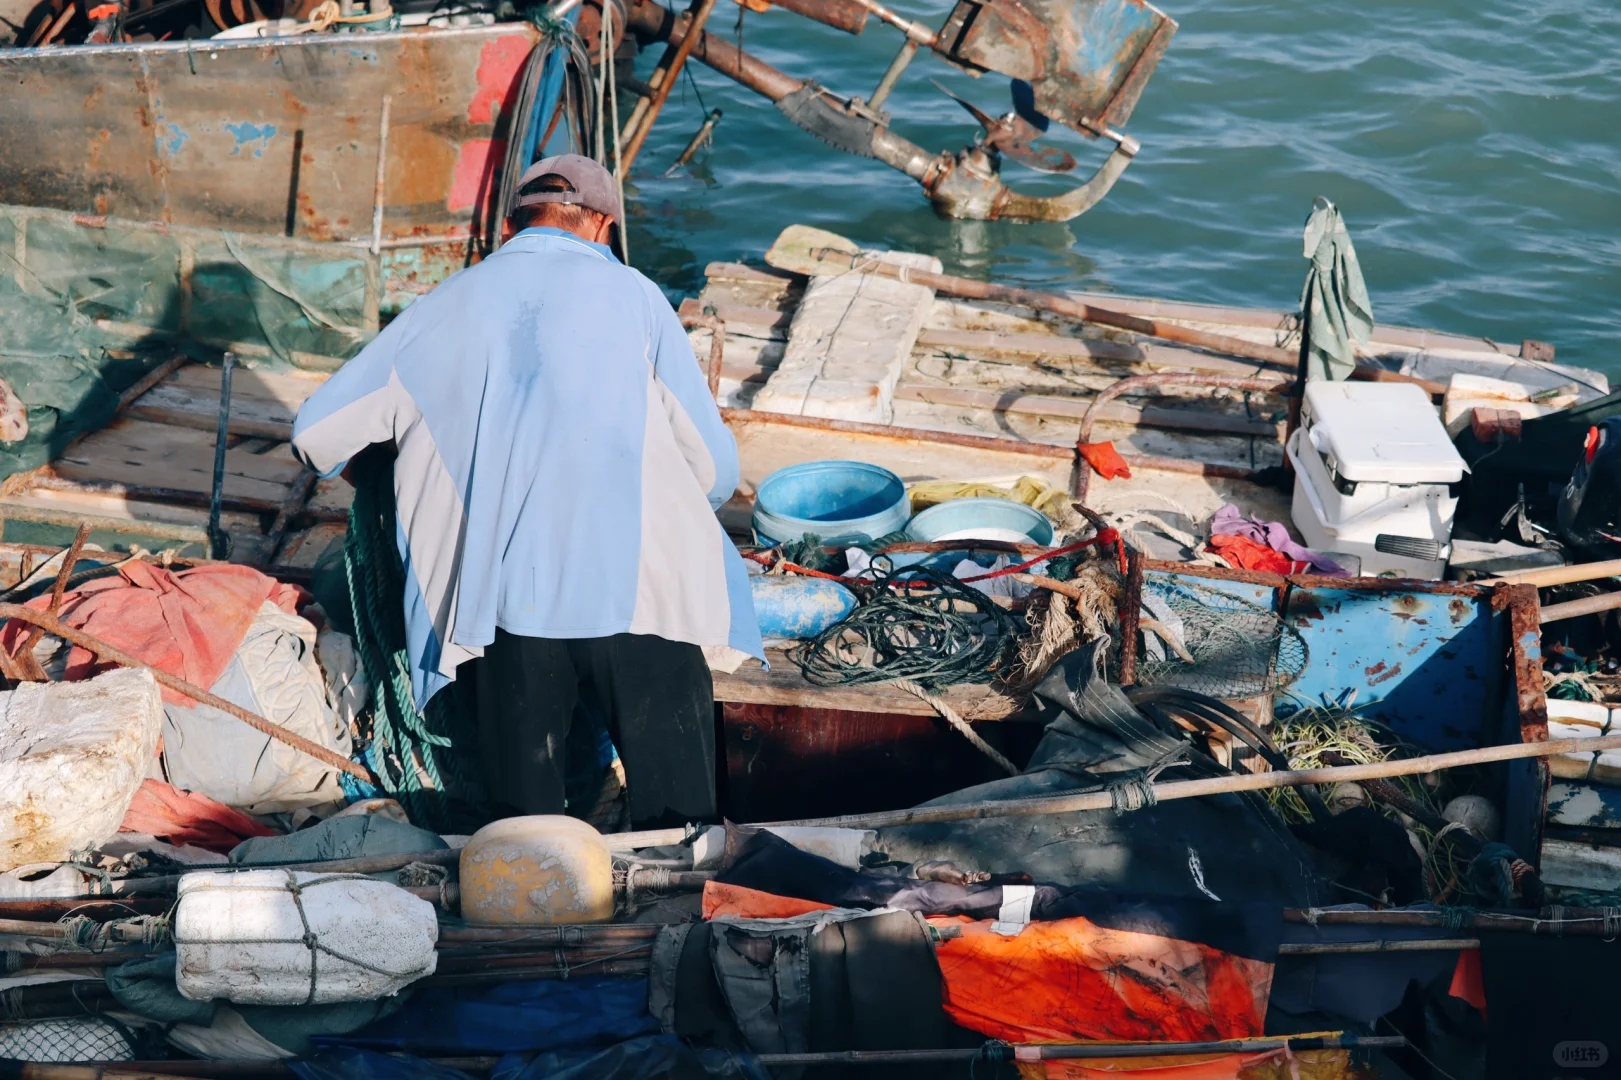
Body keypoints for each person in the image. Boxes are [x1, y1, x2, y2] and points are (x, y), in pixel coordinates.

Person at [291, 154, 761, 830]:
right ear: (601, 226)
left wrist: (395, 480)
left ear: (511, 225)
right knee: (681, 827)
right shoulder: (635, 297)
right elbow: (713, 470)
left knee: (523, 839)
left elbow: (315, 432)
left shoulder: (445, 303)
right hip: (643, 599)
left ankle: (538, 931)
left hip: (504, 612)